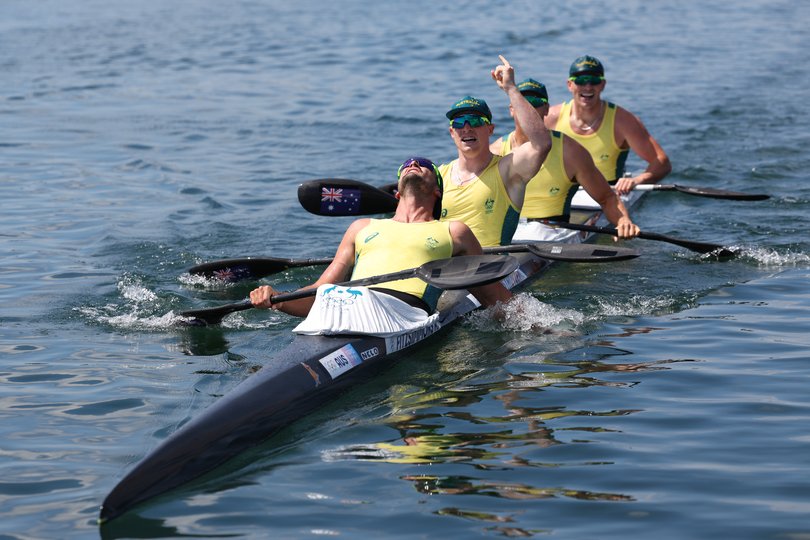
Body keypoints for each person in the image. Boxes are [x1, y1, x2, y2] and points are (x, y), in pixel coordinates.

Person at [250, 157, 512, 336]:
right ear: (397, 193)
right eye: (407, 165)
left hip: (401, 315)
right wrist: (277, 300)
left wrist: (541, 326)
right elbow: (319, 292)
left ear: (437, 192)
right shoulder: (362, 227)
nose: (412, 165)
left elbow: (492, 295)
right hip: (343, 304)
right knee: (331, 293)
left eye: (422, 165)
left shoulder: (454, 231)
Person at [491, 78, 640, 242]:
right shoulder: (496, 151)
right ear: (512, 109)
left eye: (535, 103)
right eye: (523, 102)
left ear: (547, 109)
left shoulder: (570, 151)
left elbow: (607, 198)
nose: (529, 109)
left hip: (550, 234)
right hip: (507, 233)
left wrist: (622, 220)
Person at [438, 55, 552, 247]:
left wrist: (511, 89)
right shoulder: (440, 175)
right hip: (445, 268)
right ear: (452, 132)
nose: (466, 128)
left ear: (490, 129)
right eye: (459, 123)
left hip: (491, 267)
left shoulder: (507, 170)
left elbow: (542, 144)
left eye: (475, 121)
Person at [545, 55, 671, 195]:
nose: (588, 87)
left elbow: (662, 162)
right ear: (570, 85)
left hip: (608, 193)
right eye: (580, 81)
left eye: (594, 81)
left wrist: (636, 181)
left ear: (603, 84)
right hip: (560, 192)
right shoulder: (550, 119)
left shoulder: (624, 121)